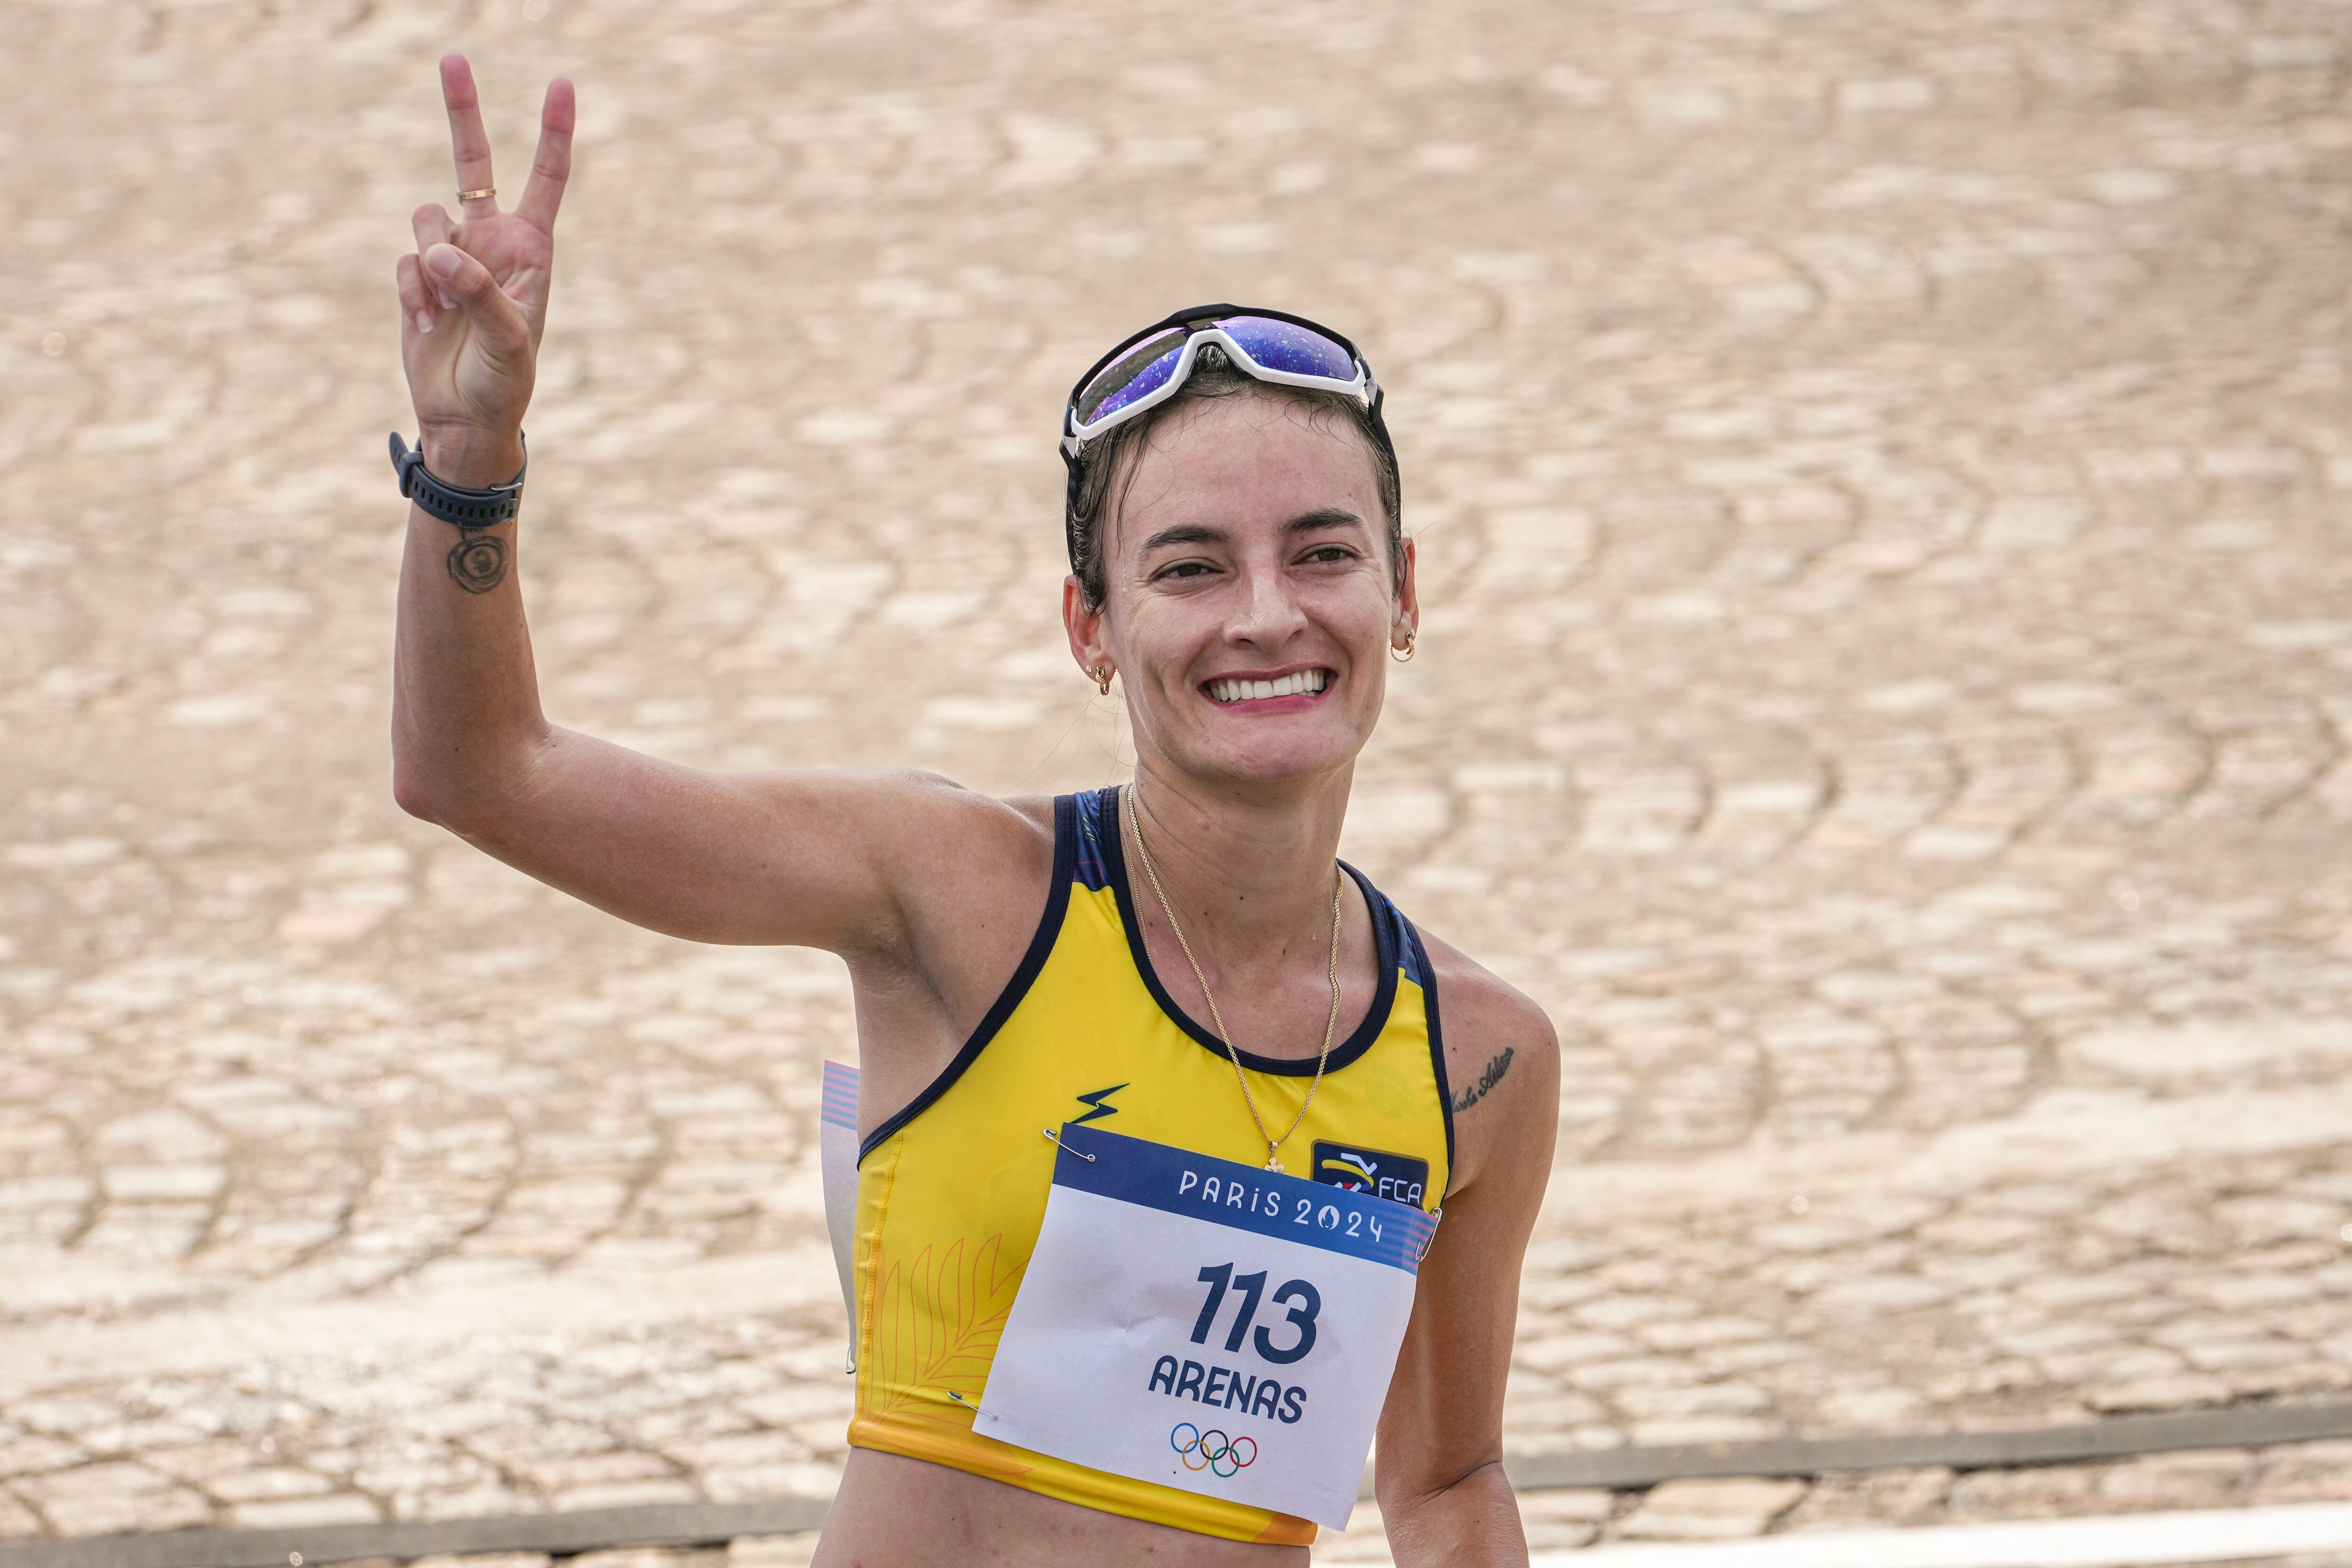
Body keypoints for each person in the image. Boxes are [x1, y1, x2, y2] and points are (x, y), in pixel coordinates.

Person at [390, 54, 1558, 1568]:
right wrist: (471, 460)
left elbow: (1448, 1485)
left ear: (1401, 593)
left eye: (1323, 554)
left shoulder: (1476, 1060)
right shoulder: (954, 893)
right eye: (1191, 567)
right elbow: (485, 775)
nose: (1268, 615)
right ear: (1092, 628)